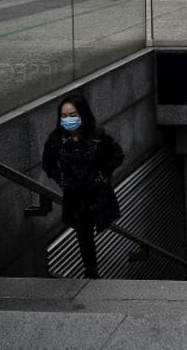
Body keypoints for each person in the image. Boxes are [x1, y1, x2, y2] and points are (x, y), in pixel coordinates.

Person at [41, 94, 125, 279]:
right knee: (83, 231)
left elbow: (118, 154)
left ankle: (92, 270)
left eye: (72, 115)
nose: (68, 119)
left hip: (97, 193)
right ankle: (91, 270)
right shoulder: (56, 140)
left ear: (83, 114)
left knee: (91, 225)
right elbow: (48, 164)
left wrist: (104, 173)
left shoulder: (98, 136)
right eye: (64, 116)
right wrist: (62, 181)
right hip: (75, 195)